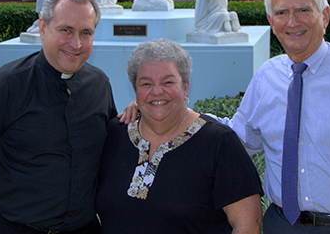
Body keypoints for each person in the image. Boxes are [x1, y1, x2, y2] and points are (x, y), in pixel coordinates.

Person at [120, 0, 330, 234]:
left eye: (303, 10)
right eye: (281, 12)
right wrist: (165, 107)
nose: (292, 22)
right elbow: (239, 136)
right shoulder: (267, 76)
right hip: (281, 225)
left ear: (324, 14)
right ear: (270, 19)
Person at [0, 0, 117, 234]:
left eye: (86, 33)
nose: (76, 43)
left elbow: (111, 147)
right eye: (66, 30)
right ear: (43, 28)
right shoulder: (5, 86)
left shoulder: (99, 85)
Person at [97, 38, 263, 233]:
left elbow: (248, 223)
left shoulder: (219, 143)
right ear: (135, 89)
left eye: (168, 82)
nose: (157, 91)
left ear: (185, 87)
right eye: (146, 83)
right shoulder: (115, 134)